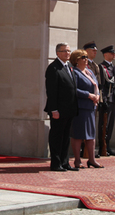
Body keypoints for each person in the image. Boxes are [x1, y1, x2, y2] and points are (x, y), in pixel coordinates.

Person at [44, 43, 78, 172]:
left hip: (69, 109)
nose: (67, 53)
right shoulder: (53, 68)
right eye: (64, 51)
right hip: (58, 110)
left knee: (65, 137)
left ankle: (65, 162)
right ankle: (56, 163)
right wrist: (53, 109)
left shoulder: (68, 66)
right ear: (57, 53)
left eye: (69, 51)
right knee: (57, 137)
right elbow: (51, 91)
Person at [70, 49, 102, 169]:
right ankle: (77, 160)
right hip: (81, 107)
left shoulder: (89, 72)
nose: (86, 59)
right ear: (76, 60)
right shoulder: (75, 72)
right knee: (78, 134)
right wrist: (88, 95)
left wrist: (97, 95)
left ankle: (92, 159)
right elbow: (74, 89)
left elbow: (96, 85)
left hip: (90, 107)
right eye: (83, 57)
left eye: (86, 57)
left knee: (91, 135)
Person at [99, 45, 115, 156]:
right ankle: (103, 145)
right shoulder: (102, 67)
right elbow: (102, 84)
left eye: (114, 53)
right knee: (104, 124)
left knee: (110, 124)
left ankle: (108, 145)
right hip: (107, 99)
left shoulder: (113, 67)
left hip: (113, 99)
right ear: (105, 55)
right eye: (111, 53)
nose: (114, 55)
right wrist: (104, 99)